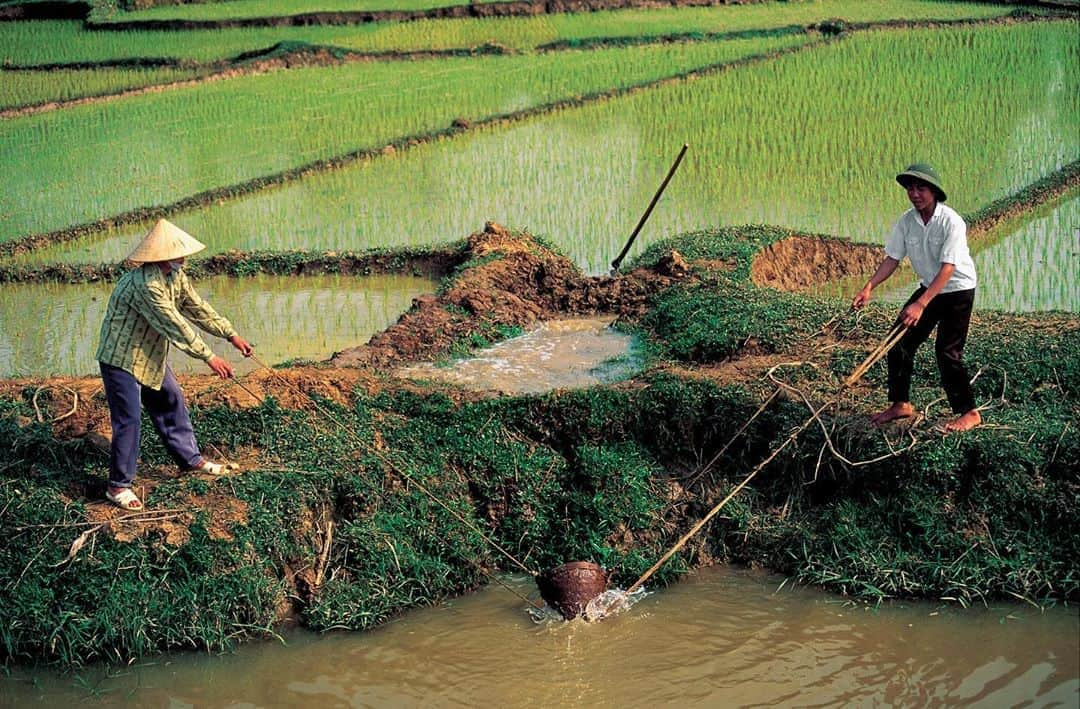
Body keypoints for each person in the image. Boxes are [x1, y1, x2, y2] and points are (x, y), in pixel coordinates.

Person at [96, 219, 253, 510]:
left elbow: (194, 306)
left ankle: (190, 459)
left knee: (170, 399)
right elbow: (174, 323)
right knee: (128, 419)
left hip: (149, 353)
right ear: (161, 254)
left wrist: (231, 335)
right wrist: (209, 356)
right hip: (121, 357)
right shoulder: (146, 284)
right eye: (177, 250)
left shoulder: (174, 275)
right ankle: (118, 486)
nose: (184, 255)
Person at [851, 163, 981, 433]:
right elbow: (892, 258)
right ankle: (901, 404)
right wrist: (869, 286)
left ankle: (969, 412)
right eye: (910, 188)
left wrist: (921, 304)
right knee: (898, 342)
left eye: (921, 188)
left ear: (934, 191)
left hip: (957, 289)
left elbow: (949, 268)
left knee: (947, 352)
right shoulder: (906, 221)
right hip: (929, 287)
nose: (915, 193)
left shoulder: (951, 221)